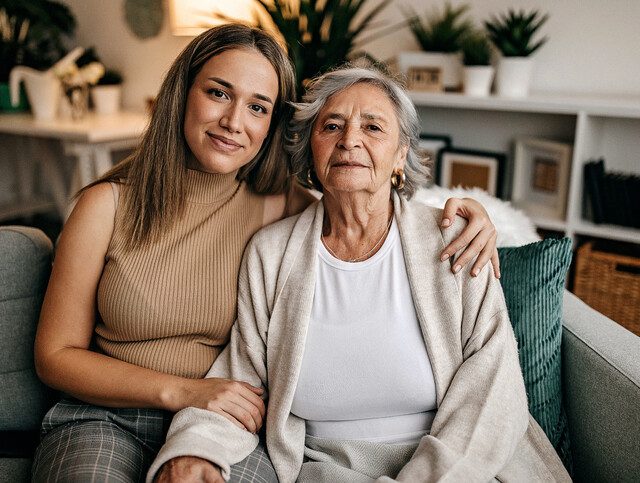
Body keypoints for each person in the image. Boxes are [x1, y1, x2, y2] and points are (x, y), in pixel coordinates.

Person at [32, 25, 500, 482]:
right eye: (218, 93)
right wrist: (184, 392)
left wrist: (474, 215)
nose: (234, 121)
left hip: (227, 427)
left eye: (258, 107)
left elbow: (359, 198)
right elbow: (54, 356)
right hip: (111, 415)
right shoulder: (107, 205)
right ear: (182, 94)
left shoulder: (277, 209)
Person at [149, 64, 570, 483]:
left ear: (401, 154)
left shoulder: (454, 239)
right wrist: (195, 451)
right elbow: (239, 377)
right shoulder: (271, 253)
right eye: (331, 126)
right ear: (311, 150)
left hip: (461, 467)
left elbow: (493, 389)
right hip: (326, 471)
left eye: (372, 127)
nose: (349, 140)